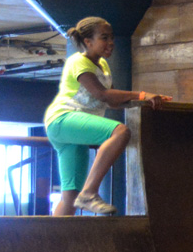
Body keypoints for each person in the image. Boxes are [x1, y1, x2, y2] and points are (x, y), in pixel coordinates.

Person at [43, 16, 170, 216]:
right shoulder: (78, 61)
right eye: (104, 38)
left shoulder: (102, 65)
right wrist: (141, 94)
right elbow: (102, 94)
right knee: (120, 132)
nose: (110, 42)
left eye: (111, 38)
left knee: (70, 197)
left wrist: (147, 101)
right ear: (88, 42)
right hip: (63, 119)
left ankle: (52, 245)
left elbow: (111, 101)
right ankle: (90, 192)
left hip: (72, 128)